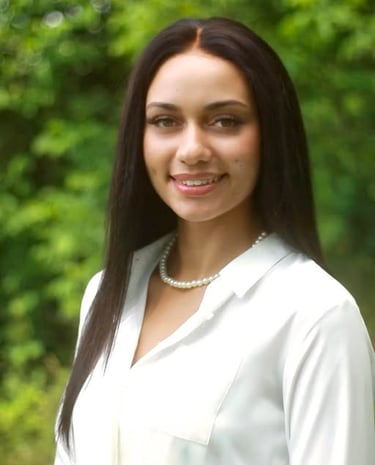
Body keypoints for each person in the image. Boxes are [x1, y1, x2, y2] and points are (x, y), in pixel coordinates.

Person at [54, 17, 375, 465]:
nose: (192, 150)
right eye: (165, 121)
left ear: (270, 134)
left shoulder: (314, 316)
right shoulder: (106, 293)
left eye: (225, 121)